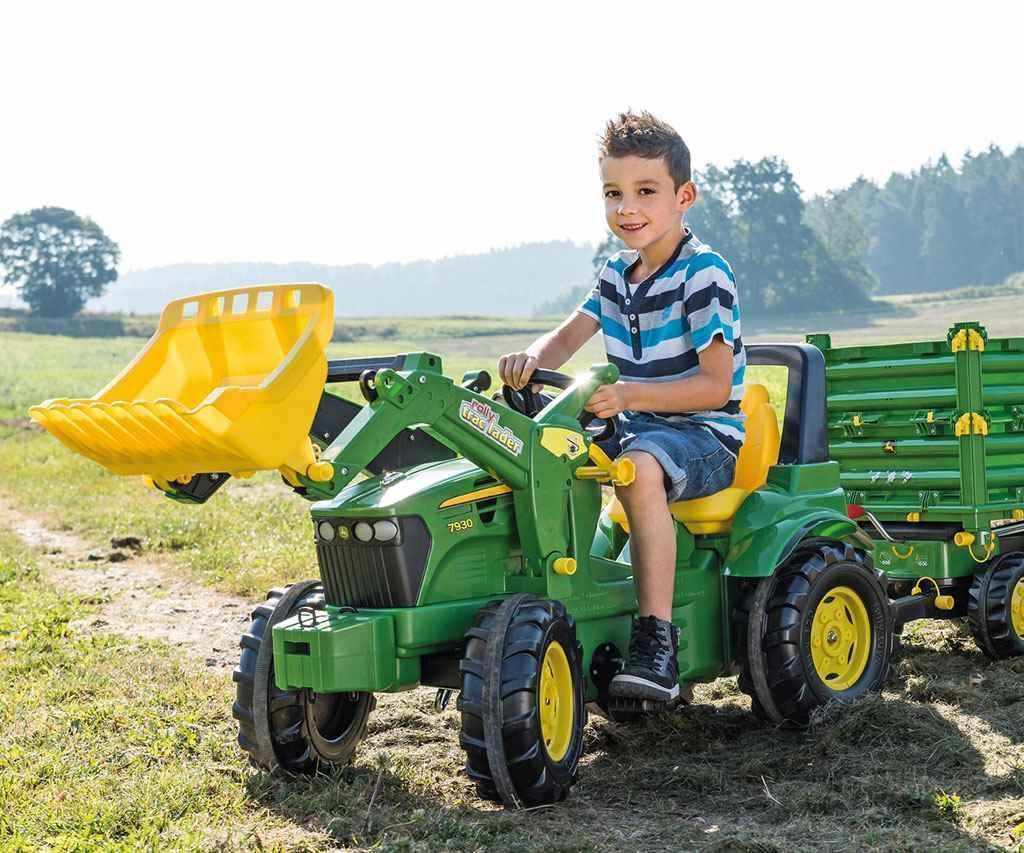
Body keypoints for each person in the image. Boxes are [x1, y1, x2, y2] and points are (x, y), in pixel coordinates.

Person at [498, 111, 746, 702]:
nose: (627, 208)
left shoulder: (703, 273)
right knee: (537, 453)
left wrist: (631, 395)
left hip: (704, 435)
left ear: (684, 196)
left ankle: (657, 640)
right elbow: (565, 338)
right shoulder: (615, 274)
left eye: (645, 191)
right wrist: (530, 359)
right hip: (635, 425)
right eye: (614, 193)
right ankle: (541, 606)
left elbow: (715, 387)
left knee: (638, 469)